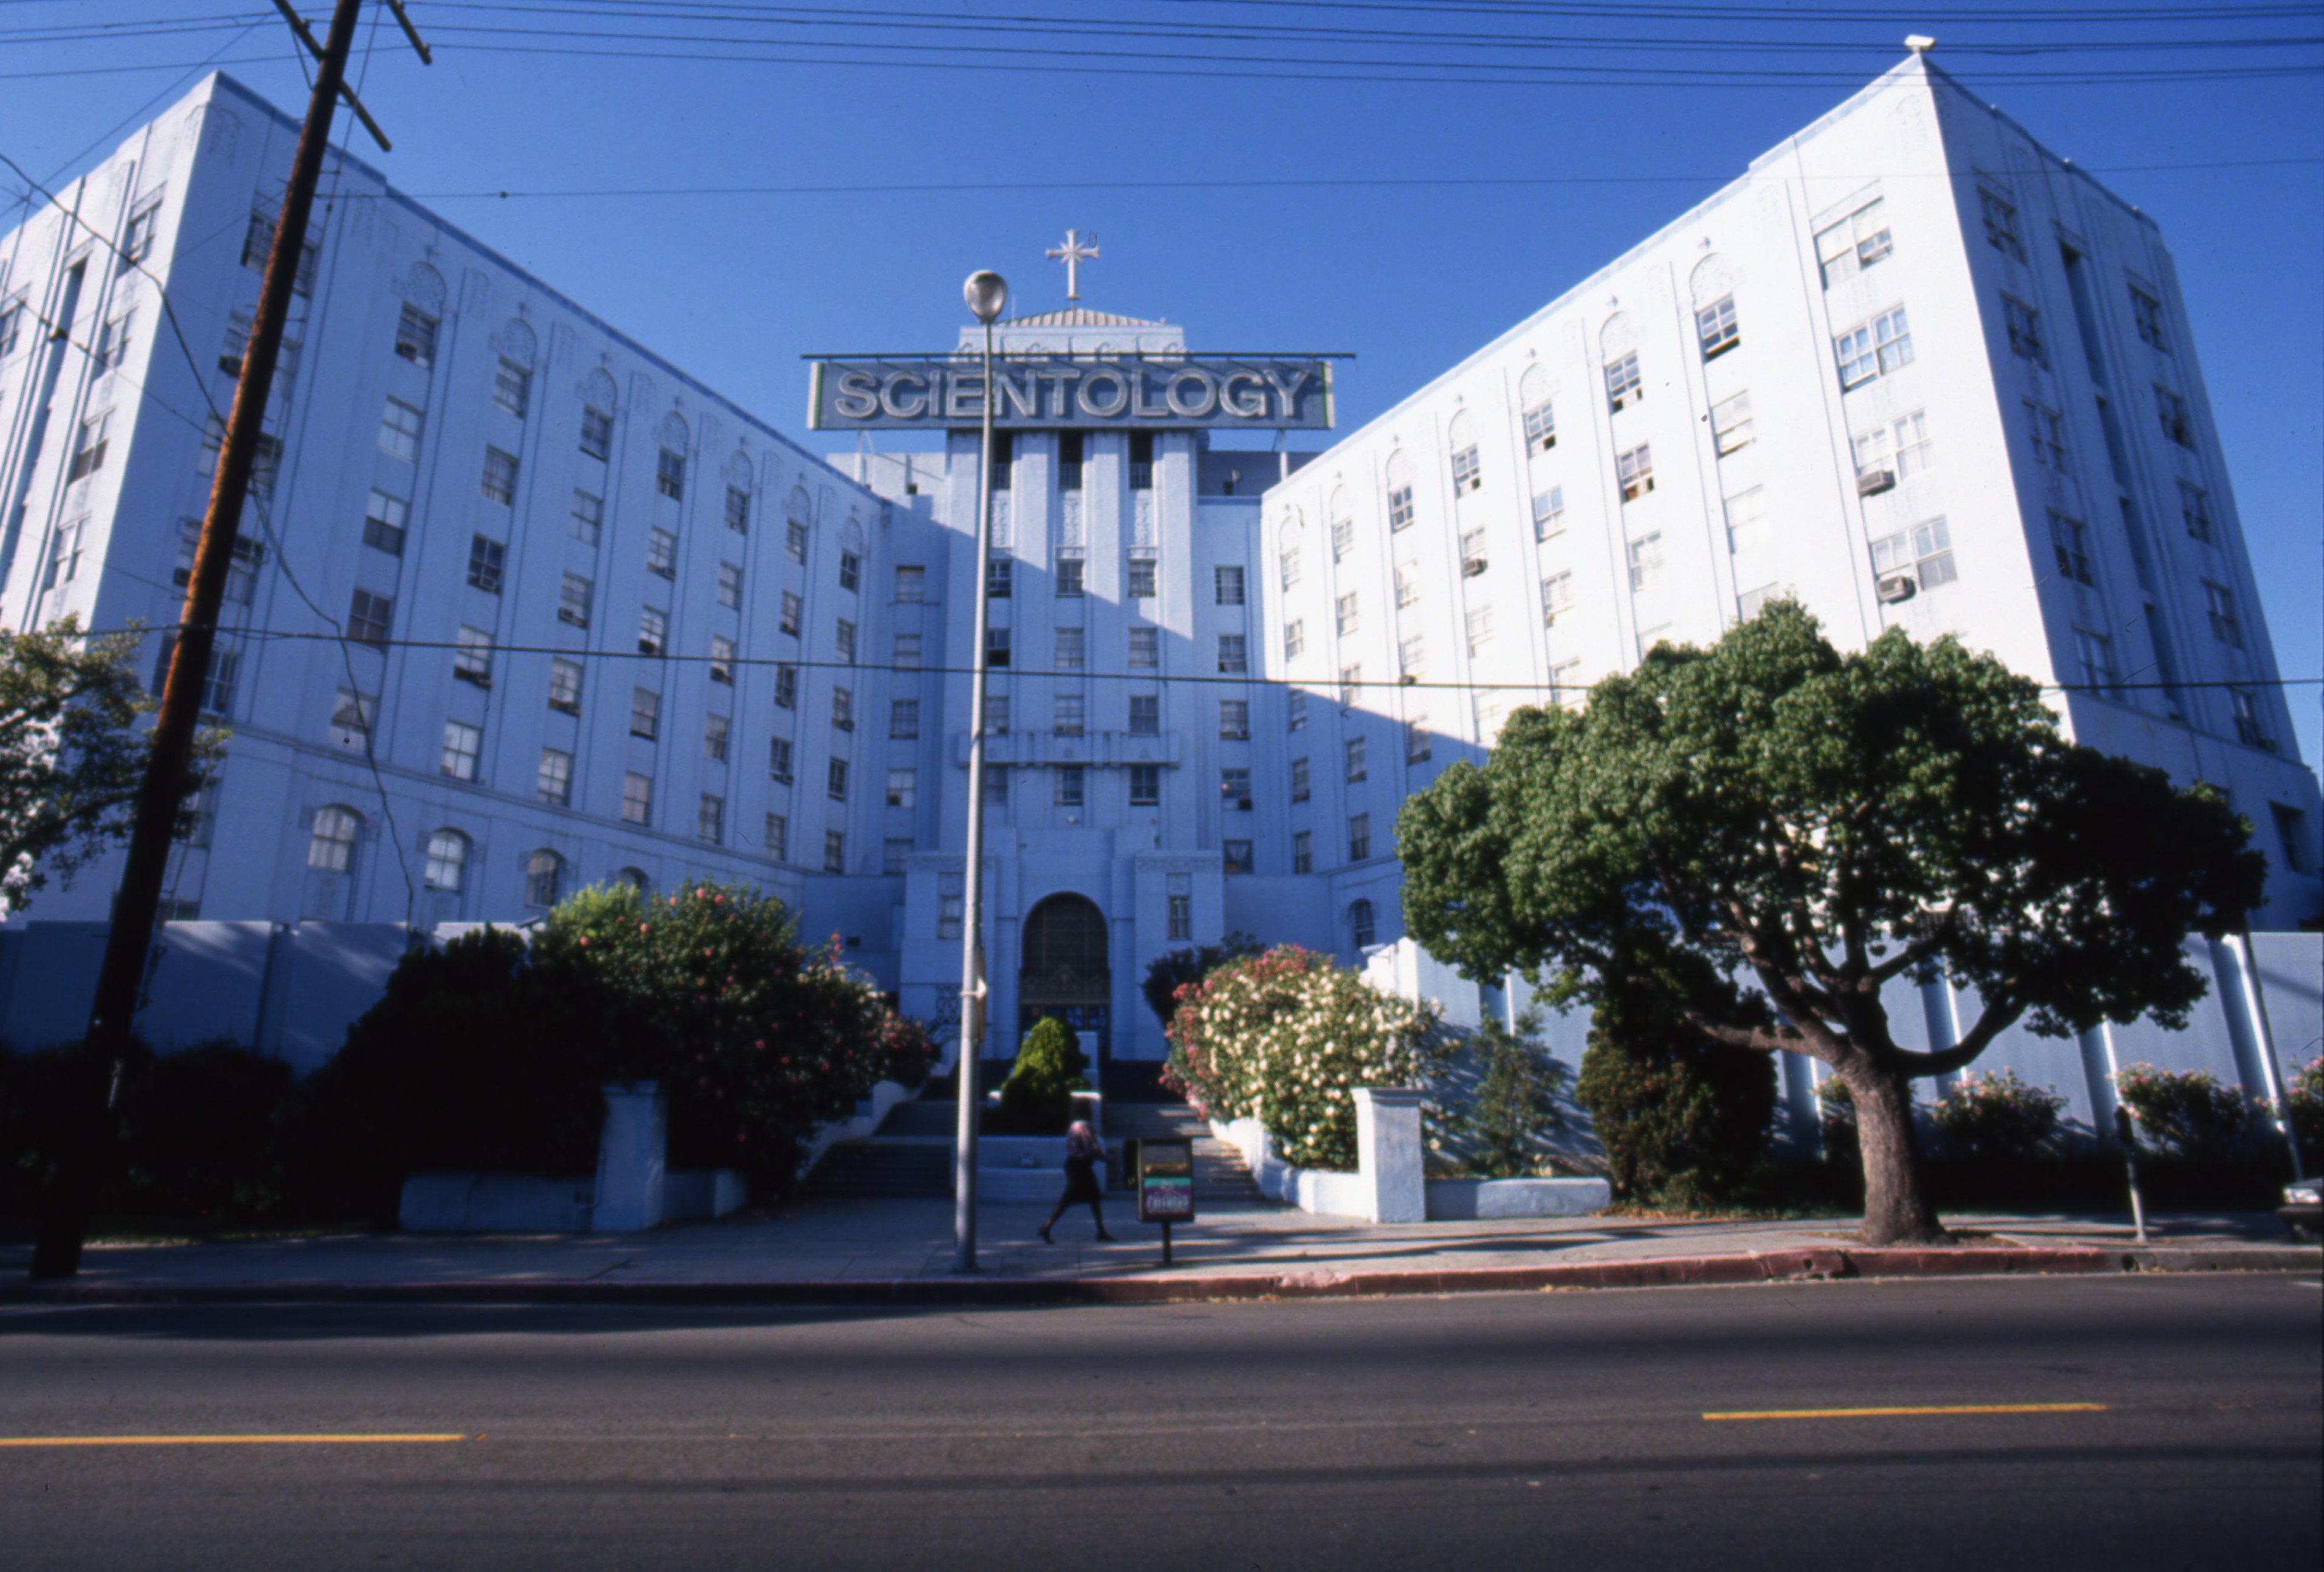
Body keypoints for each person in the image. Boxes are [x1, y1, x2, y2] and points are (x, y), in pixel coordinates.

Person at [1038, 1120, 1116, 1244]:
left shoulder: (1074, 1126)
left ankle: (1101, 1231)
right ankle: (1047, 1227)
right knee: (1069, 1198)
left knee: (1093, 1197)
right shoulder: (1084, 1128)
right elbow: (1092, 1149)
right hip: (1080, 1167)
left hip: (1077, 1165)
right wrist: (1107, 1159)